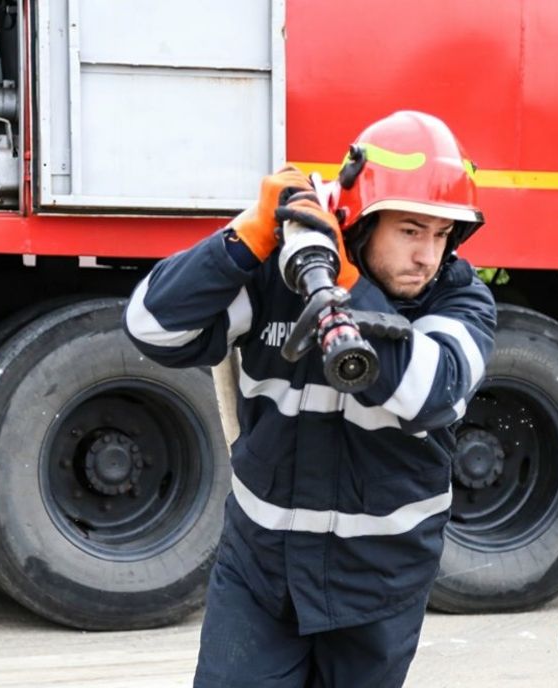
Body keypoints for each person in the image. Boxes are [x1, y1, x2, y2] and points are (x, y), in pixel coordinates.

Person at [123, 111, 496, 688]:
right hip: (261, 575)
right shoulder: (280, 278)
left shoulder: (460, 302)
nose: (427, 255)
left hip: (379, 587)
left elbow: (430, 393)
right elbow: (151, 327)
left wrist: (343, 285)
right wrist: (245, 239)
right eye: (410, 230)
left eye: (441, 234)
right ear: (363, 222)